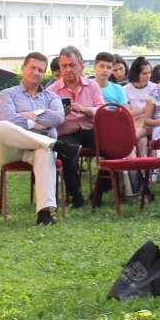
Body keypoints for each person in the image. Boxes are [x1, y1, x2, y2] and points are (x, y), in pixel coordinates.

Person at [0, 52, 80, 224]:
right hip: (11, 149)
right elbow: (8, 119)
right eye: (32, 67)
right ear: (24, 68)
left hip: (36, 149)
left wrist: (26, 116)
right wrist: (38, 123)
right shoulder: (7, 94)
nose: (36, 72)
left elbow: (57, 118)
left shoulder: (51, 96)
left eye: (41, 70)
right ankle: (54, 144)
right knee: (1, 126)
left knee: (45, 152)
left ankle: (44, 214)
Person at [47, 45, 104, 208]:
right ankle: (75, 195)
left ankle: (99, 190)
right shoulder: (52, 90)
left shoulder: (92, 86)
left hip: (89, 129)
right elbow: (46, 118)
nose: (68, 69)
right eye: (64, 66)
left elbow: (102, 108)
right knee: (66, 150)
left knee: (112, 148)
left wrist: (86, 110)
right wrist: (60, 114)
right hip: (66, 131)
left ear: (81, 65)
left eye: (72, 65)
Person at [123, 56, 155, 156]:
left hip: (149, 124)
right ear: (136, 74)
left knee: (139, 137)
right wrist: (145, 109)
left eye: (150, 72)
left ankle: (129, 143)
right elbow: (127, 114)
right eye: (144, 73)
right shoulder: (125, 90)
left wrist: (143, 112)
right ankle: (140, 169)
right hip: (132, 125)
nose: (148, 76)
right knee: (142, 141)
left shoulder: (154, 88)